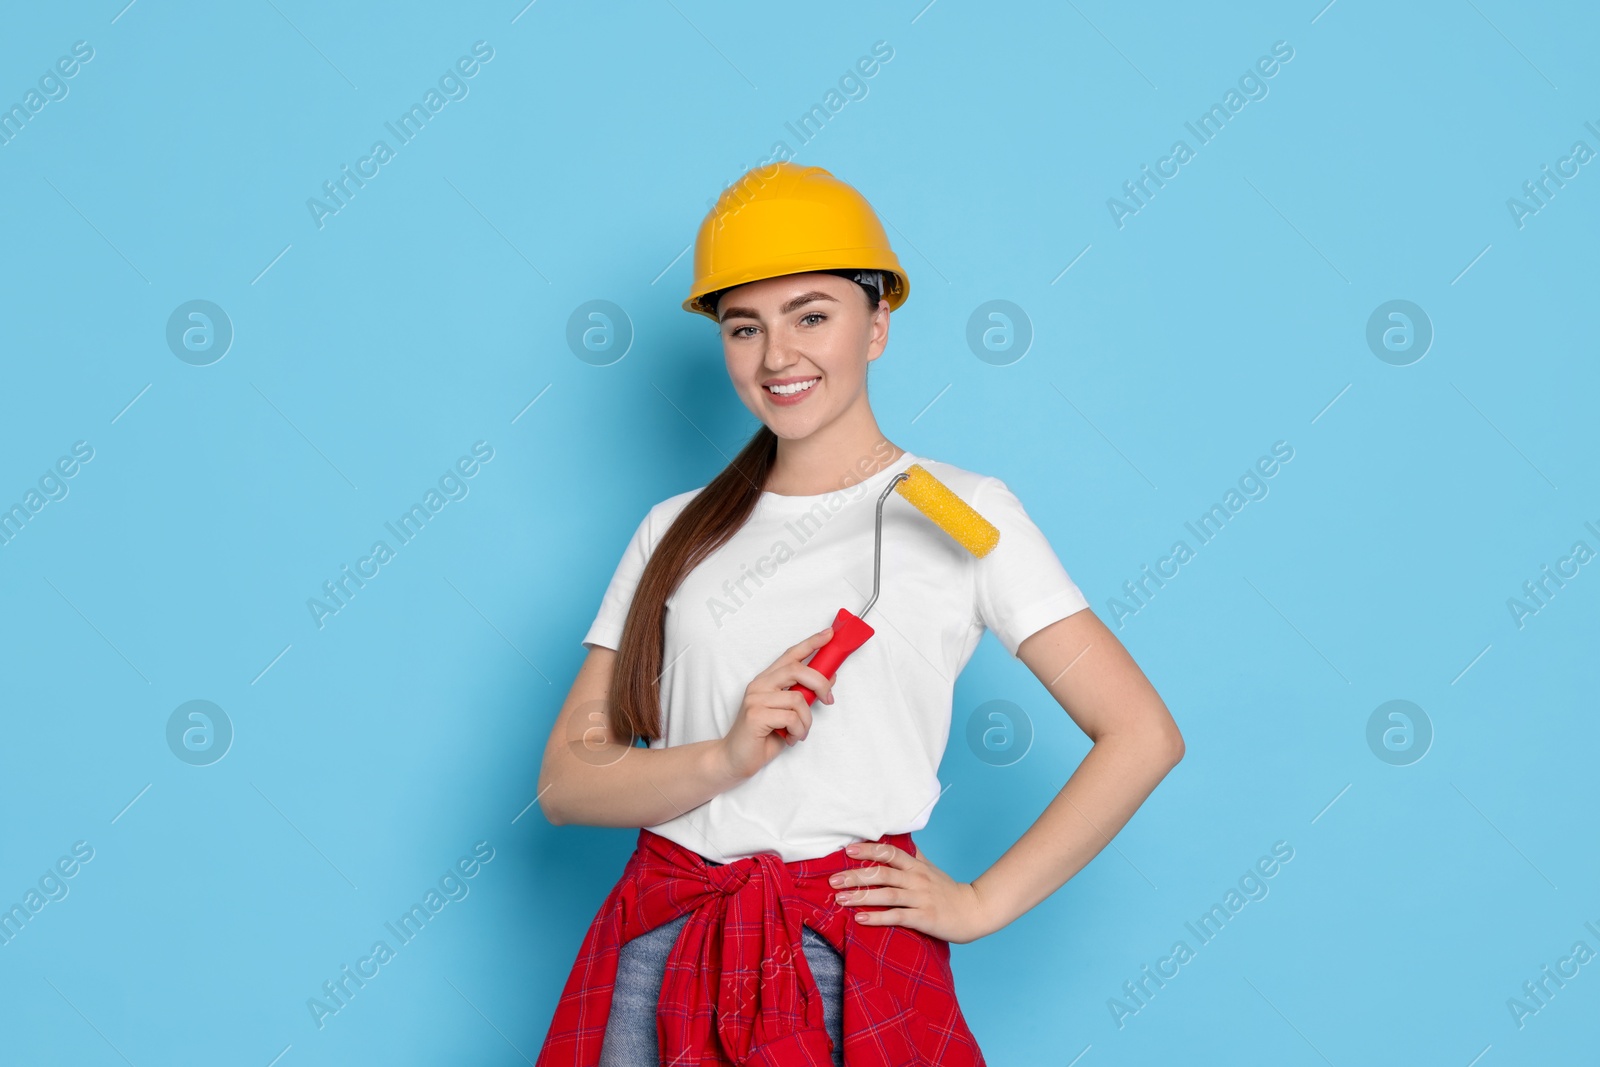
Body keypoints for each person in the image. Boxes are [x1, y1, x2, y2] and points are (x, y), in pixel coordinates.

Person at [534, 162, 1184, 1066]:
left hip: (850, 958)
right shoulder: (673, 529)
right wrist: (725, 756)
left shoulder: (963, 514)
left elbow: (1141, 733)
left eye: (812, 315)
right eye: (743, 327)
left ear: (877, 323)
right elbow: (567, 782)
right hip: (666, 943)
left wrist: (981, 902)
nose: (776, 357)